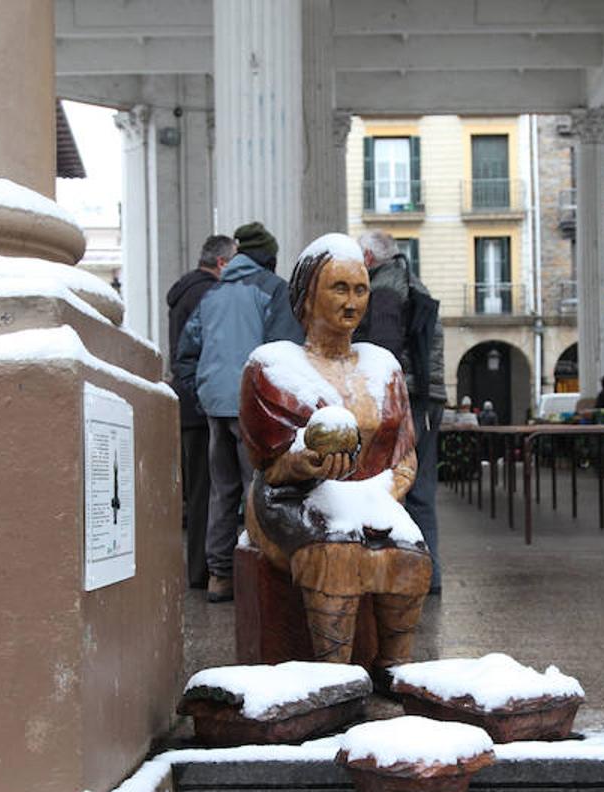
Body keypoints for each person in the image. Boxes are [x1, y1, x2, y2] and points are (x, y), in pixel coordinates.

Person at [239, 233, 431, 675]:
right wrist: (300, 463)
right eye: (339, 289)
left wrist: (388, 493)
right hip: (291, 497)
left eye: (360, 290)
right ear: (308, 296)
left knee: (409, 553)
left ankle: (393, 670)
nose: (352, 303)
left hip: (374, 496)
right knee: (338, 554)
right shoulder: (271, 366)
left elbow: (404, 452)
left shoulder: (383, 366)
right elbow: (267, 464)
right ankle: (336, 676)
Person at [173, 222, 303, 602]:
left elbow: (186, 353)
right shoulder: (272, 290)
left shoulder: (213, 294)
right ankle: (259, 570)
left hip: (215, 405)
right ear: (269, 257)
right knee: (258, 488)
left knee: (221, 490)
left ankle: (220, 575)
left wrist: (203, 394)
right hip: (253, 406)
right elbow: (284, 353)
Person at [356, 230, 446, 595]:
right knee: (421, 489)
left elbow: (383, 350)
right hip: (429, 396)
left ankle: (402, 578)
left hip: (405, 397)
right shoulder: (413, 281)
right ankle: (429, 576)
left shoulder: (385, 290)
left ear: (367, 257)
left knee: (391, 488)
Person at [166, 234, 235, 590]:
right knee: (211, 493)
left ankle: (196, 570)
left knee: (197, 493)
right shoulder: (207, 295)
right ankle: (205, 571)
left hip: (185, 403)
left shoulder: (182, 293)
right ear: (222, 263)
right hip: (203, 404)